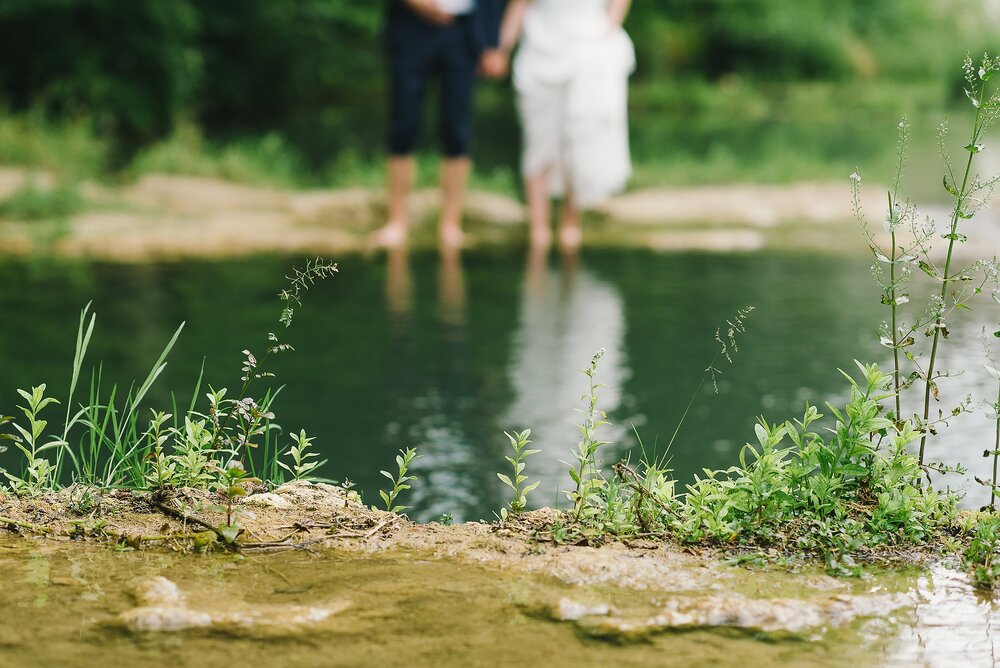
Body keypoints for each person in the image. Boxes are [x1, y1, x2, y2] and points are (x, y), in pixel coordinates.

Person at [489, 0, 634, 249]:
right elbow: (520, 5)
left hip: (588, 55)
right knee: (537, 141)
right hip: (540, 52)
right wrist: (501, 49)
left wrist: (608, 32)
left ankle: (570, 224)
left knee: (577, 138)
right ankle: (539, 228)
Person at [374, 0, 506, 249]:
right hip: (410, 24)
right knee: (403, 123)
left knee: (457, 127)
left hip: (464, 30)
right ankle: (397, 222)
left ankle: (450, 225)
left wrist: (491, 43)